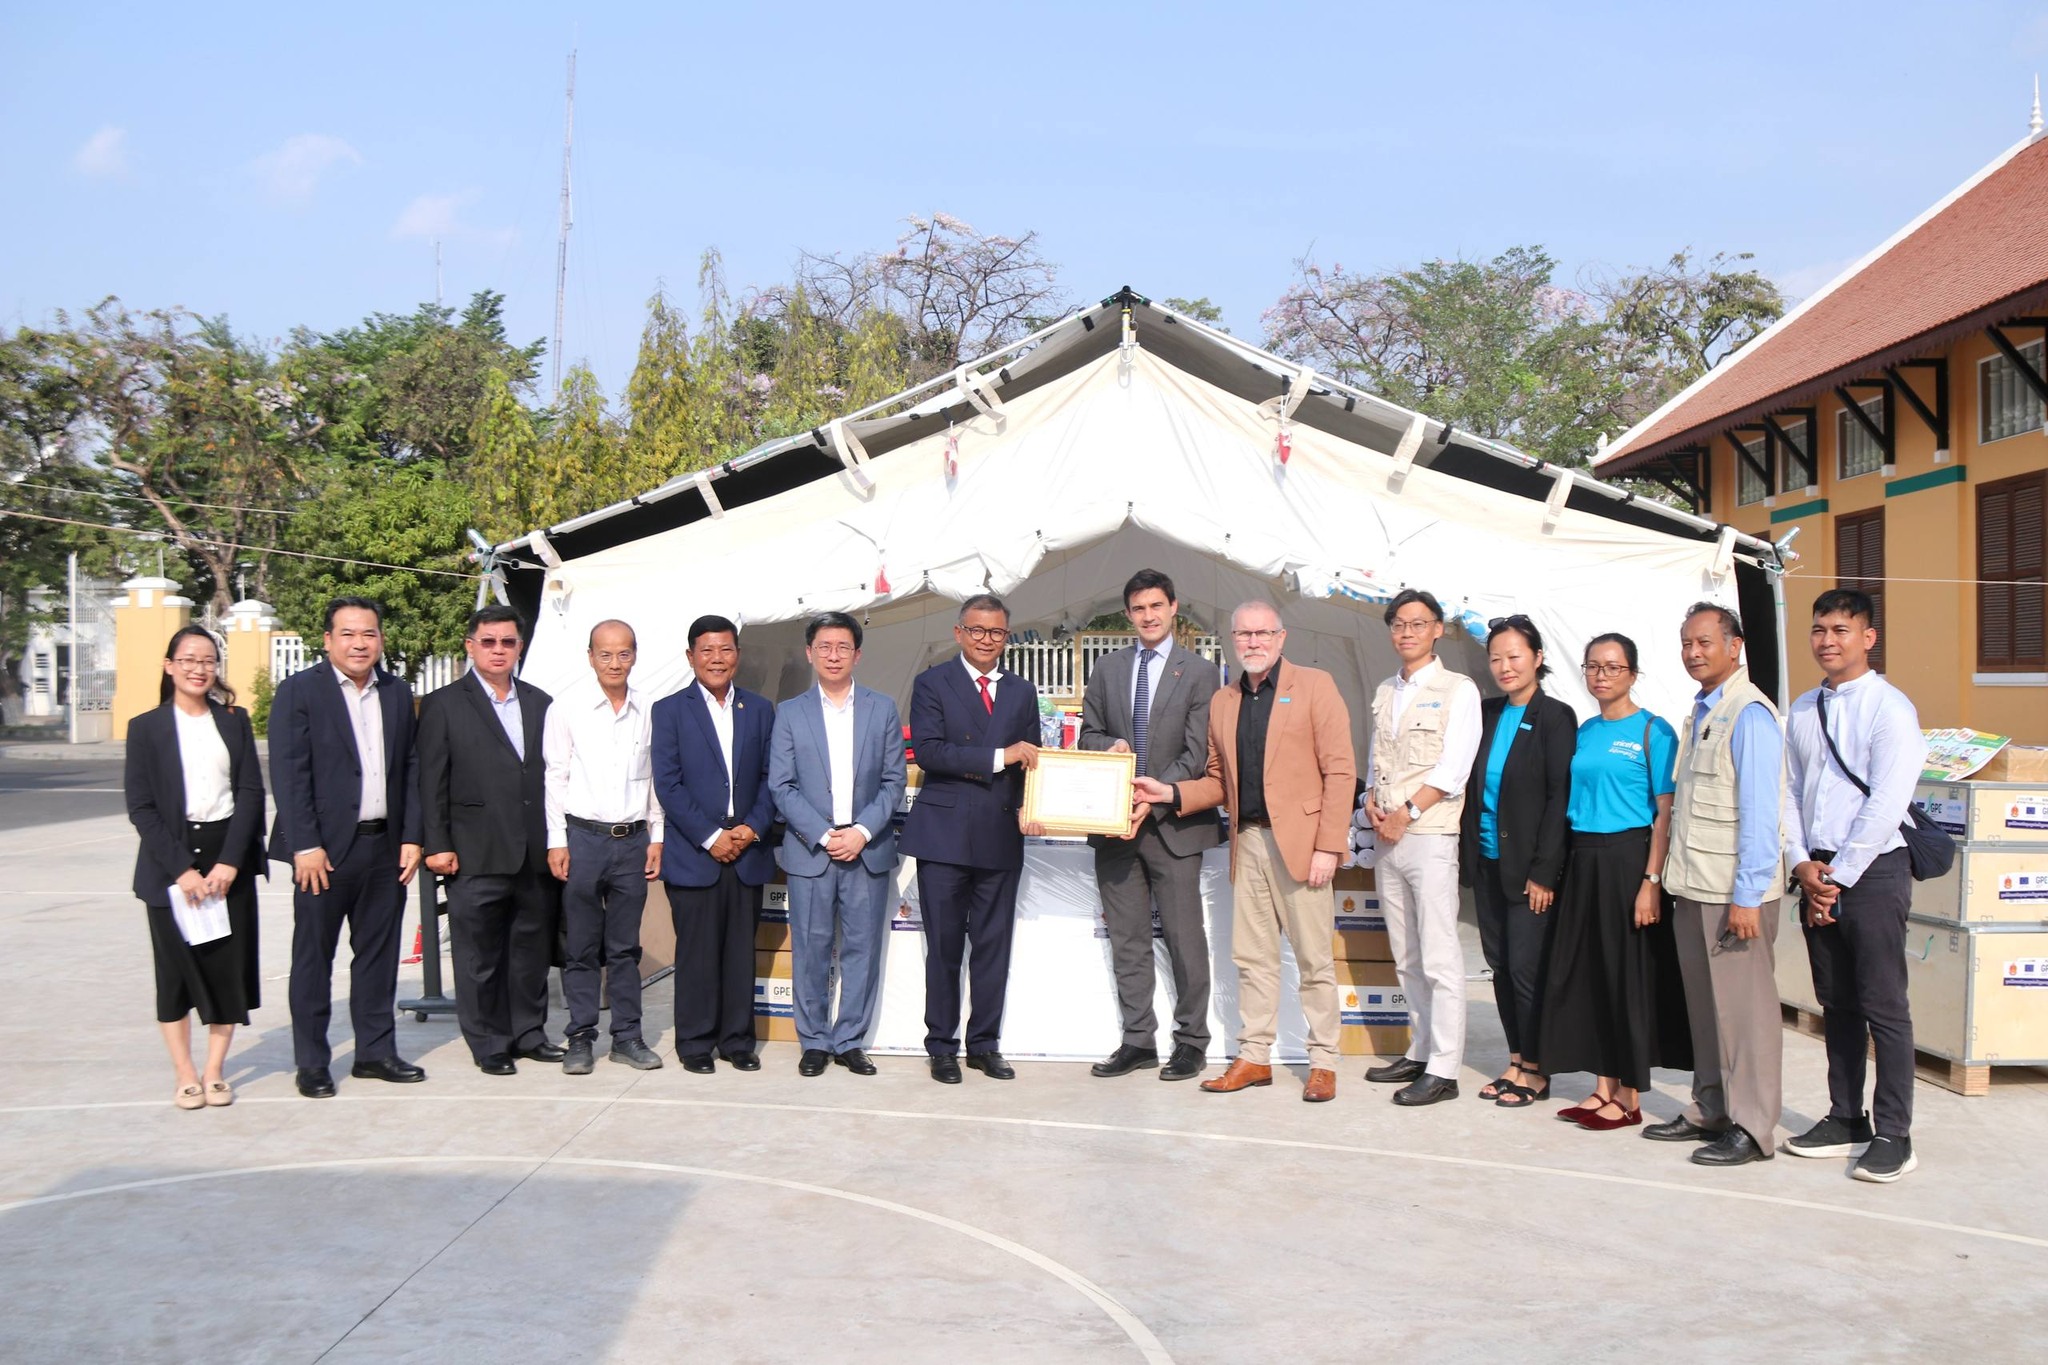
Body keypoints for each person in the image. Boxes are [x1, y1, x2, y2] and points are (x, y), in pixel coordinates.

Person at [1136, 600, 1354, 1103]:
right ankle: (1254, 1056)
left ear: (1281, 637)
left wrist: (1328, 845)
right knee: (1253, 959)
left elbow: (1341, 771)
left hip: (1302, 844)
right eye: (1244, 634)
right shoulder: (1224, 700)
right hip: (1248, 840)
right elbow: (1218, 781)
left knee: (1314, 960)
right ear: (1232, 640)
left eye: (1262, 633)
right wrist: (1170, 792)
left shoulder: (1315, 686)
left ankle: (1324, 1062)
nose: (1253, 642)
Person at [1781, 589, 1923, 1183]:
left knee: (1883, 1005)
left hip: (1873, 872)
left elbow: (1887, 803)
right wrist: (1799, 862)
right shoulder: (1803, 708)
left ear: (1868, 638)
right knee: (1837, 1002)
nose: (1827, 641)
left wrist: (1837, 877)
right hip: (1817, 873)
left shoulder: (1890, 709)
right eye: (1819, 629)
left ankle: (1894, 1133)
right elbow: (1788, 791)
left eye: (1841, 630)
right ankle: (1846, 1116)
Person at [269, 597, 426, 1099]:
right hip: (324, 854)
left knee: (378, 956)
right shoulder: (299, 691)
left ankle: (375, 1053)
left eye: (369, 633)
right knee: (314, 958)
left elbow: (411, 768)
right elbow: (289, 774)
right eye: (349, 634)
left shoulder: (396, 693)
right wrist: (305, 845)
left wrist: (412, 835)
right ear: (328, 640)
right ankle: (312, 1062)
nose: (360, 644)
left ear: (381, 638)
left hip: (384, 848)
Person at [1646, 602, 1786, 1167]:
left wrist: (1748, 897)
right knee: (1707, 1011)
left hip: (1734, 894)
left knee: (1745, 1017)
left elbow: (1761, 813)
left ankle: (1753, 1128)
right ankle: (1711, 1108)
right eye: (1686, 643)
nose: (1693, 652)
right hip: (1696, 887)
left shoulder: (1749, 714)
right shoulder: (1703, 710)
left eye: (1704, 642)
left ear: (1735, 646)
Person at [1539, 633, 1690, 1131]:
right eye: (1593, 667)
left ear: (1633, 674)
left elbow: (1664, 814)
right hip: (1583, 859)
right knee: (1592, 973)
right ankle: (1602, 1086)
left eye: (1612, 667)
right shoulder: (1585, 731)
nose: (1601, 675)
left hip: (1628, 859)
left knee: (1626, 976)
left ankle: (1629, 1096)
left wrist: (1651, 881)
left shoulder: (1653, 731)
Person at [1078, 569, 1222, 1083]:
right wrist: (1109, 746)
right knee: (1128, 940)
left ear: (1174, 607)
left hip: (1173, 826)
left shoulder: (1201, 673)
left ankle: (1192, 1042)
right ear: (1128, 614)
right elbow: (1087, 735)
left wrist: (1152, 797)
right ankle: (1138, 1040)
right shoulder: (1107, 668)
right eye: (1138, 608)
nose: (1148, 616)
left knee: (1185, 940)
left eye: (1156, 606)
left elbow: (1197, 753)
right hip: (1114, 827)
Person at [897, 594, 1043, 1084]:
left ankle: (984, 1045)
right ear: (959, 632)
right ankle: (941, 1046)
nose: (986, 640)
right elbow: (930, 752)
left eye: (996, 632)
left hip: (1000, 833)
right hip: (943, 837)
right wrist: (1000, 756)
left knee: (992, 947)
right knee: (943, 947)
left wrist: (1033, 806)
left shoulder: (1022, 691)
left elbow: (1033, 761)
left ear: (1007, 637)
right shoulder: (932, 682)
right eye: (977, 630)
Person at [124, 626, 267, 1109]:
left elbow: (250, 792)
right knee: (175, 973)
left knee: (226, 967)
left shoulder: (233, 721)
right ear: (169, 666)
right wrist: (182, 870)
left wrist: (230, 862)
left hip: (227, 857)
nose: (198, 669)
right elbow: (141, 806)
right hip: (170, 862)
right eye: (188, 660)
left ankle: (214, 1071)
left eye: (207, 660)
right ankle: (185, 1072)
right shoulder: (146, 728)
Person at [417, 605, 560, 1076]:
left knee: (530, 951)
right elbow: (431, 781)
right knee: (479, 956)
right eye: (489, 641)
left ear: (520, 647)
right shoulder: (443, 704)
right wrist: (437, 843)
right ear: (470, 646)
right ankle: (489, 1042)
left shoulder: (540, 702)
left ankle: (529, 1033)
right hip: (473, 851)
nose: (499, 650)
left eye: (508, 642)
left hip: (533, 851)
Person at [768, 612, 908, 1077]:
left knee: (862, 949)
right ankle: (813, 1041)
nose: (833, 655)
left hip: (866, 848)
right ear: (810, 653)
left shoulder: (881, 709)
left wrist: (860, 832)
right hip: (812, 849)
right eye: (824, 647)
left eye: (842, 647)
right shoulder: (790, 712)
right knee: (810, 948)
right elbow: (782, 784)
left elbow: (893, 780)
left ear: (857, 655)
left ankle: (850, 1040)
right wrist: (826, 835)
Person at [1363, 589, 1483, 1106]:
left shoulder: (1458, 689)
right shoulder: (1385, 690)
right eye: (1398, 624)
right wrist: (1370, 803)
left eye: (1418, 623)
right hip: (1387, 834)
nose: (1407, 632)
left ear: (1438, 629)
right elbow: (1377, 758)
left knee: (1438, 955)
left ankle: (1444, 1068)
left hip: (1428, 834)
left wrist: (1405, 814)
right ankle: (1421, 1049)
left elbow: (1454, 769)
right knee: (1406, 955)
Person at [651, 615, 778, 1072]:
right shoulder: (669, 711)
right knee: (697, 954)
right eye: (707, 650)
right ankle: (695, 1043)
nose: (717, 659)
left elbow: (771, 777)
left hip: (746, 849)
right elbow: (668, 784)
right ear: (691, 657)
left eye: (725, 649)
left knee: (740, 952)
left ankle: (737, 1041)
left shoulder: (759, 709)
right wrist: (710, 837)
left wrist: (752, 827)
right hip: (694, 853)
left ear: (738, 655)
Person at [1458, 615, 1574, 1109]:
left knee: (1527, 969)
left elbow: (1559, 797)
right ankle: (1516, 1057)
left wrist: (1545, 871)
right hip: (1488, 861)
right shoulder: (1485, 713)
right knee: (1500, 967)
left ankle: (1538, 1069)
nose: (1505, 667)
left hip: (1530, 872)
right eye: (1496, 658)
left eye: (1515, 656)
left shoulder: (1555, 717)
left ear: (1537, 658)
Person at [545, 619, 666, 1075]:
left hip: (632, 841)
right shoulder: (567, 708)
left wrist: (657, 836)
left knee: (624, 948)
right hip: (583, 840)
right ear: (591, 656)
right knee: (580, 945)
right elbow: (555, 776)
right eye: (605, 654)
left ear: (634, 656)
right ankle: (580, 1036)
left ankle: (627, 1036)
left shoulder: (649, 710)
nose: (615, 663)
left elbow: (654, 779)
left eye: (623, 653)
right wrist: (556, 840)